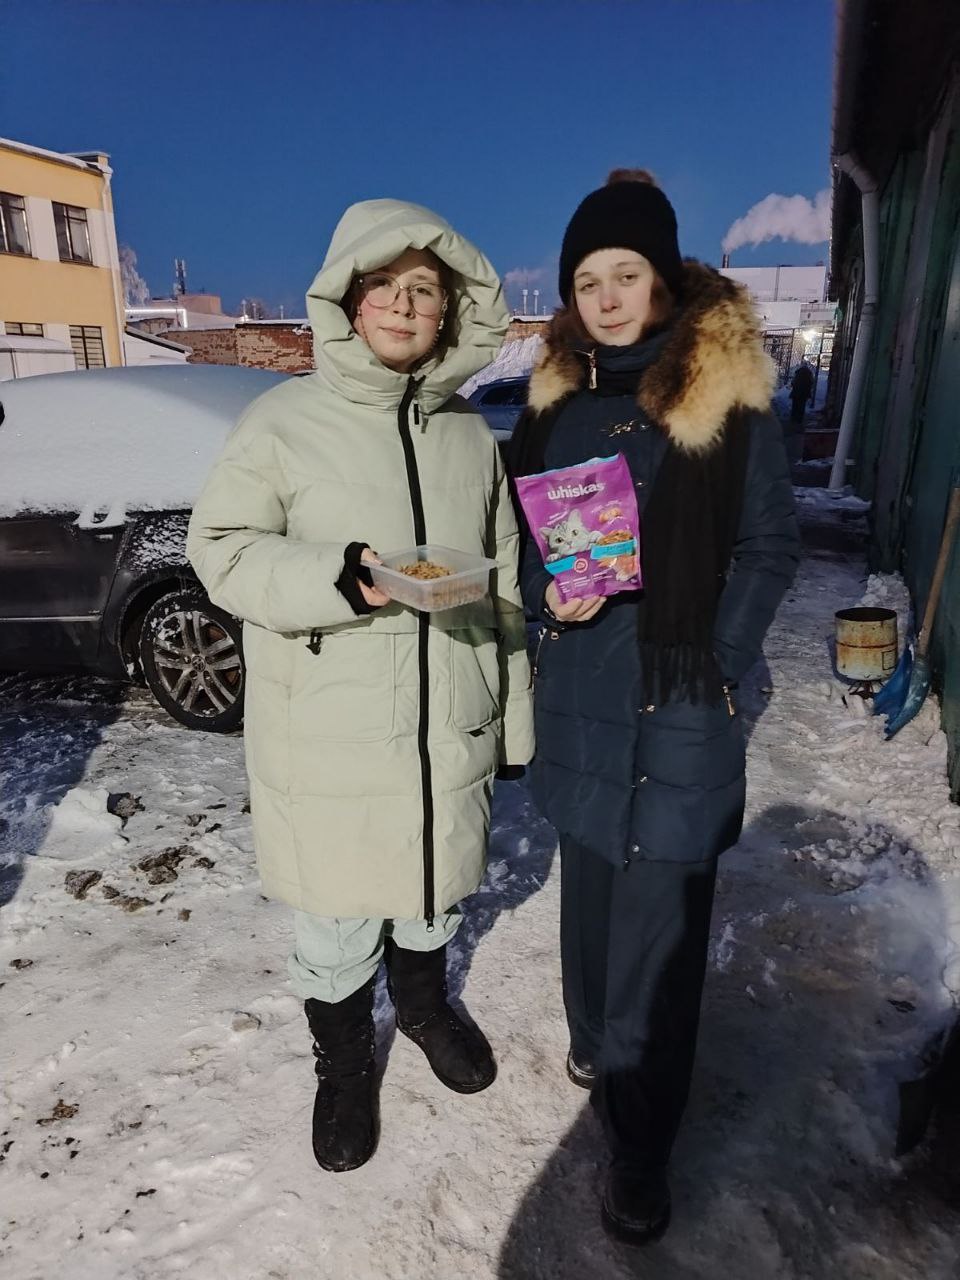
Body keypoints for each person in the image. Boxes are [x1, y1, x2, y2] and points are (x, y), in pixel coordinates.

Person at [187, 199, 534, 1173]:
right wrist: (342, 576)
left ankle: (422, 1007)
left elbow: (502, 582)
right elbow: (220, 550)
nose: (405, 304)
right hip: (331, 732)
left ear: (451, 309)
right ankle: (343, 1065)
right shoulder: (282, 422)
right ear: (348, 298)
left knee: (430, 893)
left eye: (425, 289)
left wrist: (510, 725)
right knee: (339, 918)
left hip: (447, 720)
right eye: (385, 285)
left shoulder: (469, 435)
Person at [509, 170, 800, 1245]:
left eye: (626, 274)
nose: (607, 297)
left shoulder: (726, 402)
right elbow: (527, 552)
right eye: (588, 280)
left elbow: (770, 546)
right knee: (591, 908)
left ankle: (640, 1150)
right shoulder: (555, 412)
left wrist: (717, 660)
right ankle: (594, 1042)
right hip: (585, 694)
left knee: (663, 937)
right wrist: (550, 597)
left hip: (682, 702)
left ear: (664, 279)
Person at [789, 359, 815, 424]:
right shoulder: (809, 373)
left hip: (796, 392)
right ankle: (799, 419)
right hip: (804, 393)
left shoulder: (797, 372)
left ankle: (793, 418)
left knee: (795, 405)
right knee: (802, 406)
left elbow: (793, 382)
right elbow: (812, 382)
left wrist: (793, 385)